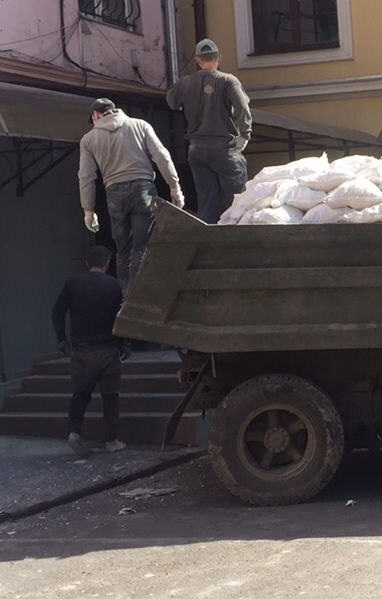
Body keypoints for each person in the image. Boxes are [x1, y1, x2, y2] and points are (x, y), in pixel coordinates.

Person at [79, 98, 184, 293]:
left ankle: (126, 296)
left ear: (95, 115)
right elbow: (162, 156)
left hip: (114, 194)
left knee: (123, 250)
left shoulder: (88, 139)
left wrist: (88, 209)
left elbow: (86, 176)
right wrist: (174, 186)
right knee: (141, 246)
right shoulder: (140, 125)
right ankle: (137, 295)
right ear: (113, 109)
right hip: (143, 189)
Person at [51, 246, 128, 458]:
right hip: (108, 349)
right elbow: (120, 319)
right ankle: (111, 440)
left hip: (80, 350)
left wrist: (61, 340)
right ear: (107, 263)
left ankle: (74, 433)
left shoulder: (72, 283)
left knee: (80, 395)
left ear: (87, 263)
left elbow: (57, 313)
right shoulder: (113, 285)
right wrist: (124, 344)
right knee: (110, 397)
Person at [166, 38, 252, 224]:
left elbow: (171, 101)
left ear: (197, 60)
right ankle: (239, 246)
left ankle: (212, 247)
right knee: (237, 203)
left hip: (197, 151)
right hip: (224, 150)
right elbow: (242, 108)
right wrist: (244, 135)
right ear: (218, 58)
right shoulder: (228, 81)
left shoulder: (186, 82)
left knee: (207, 203)